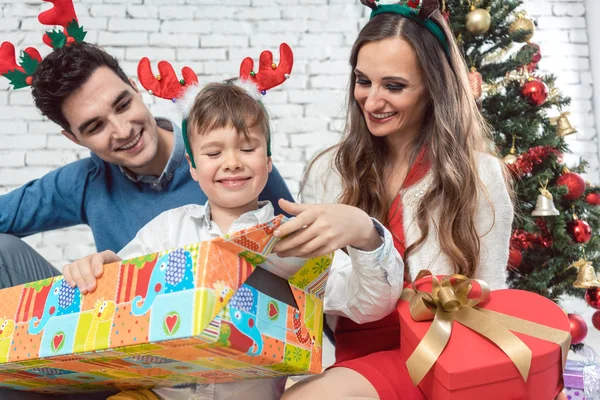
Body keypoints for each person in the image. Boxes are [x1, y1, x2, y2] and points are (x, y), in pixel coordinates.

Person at [273, 0, 562, 399]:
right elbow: (320, 293)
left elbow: (492, 296)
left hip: (441, 357)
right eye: (363, 81)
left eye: (394, 86)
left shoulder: (477, 175)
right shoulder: (329, 171)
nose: (372, 101)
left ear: (433, 86)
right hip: (352, 357)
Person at [64, 79, 404, 399]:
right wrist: (101, 269)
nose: (231, 163)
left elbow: (370, 305)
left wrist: (367, 236)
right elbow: (121, 290)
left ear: (268, 160)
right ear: (193, 167)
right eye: (214, 154)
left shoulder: (297, 241)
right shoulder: (167, 231)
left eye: (247, 148)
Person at [0, 42, 293, 291]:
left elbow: (302, 266)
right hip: (130, 331)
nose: (123, 130)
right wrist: (97, 269)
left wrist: (337, 355)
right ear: (74, 138)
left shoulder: (237, 169)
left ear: (135, 88)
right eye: (95, 126)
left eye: (123, 105)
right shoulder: (84, 182)